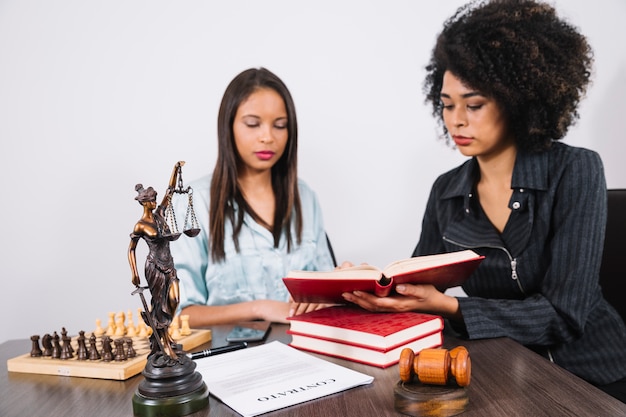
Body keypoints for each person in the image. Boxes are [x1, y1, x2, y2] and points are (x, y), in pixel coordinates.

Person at [342, 0, 626, 402]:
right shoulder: (446, 191)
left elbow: (564, 315)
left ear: (517, 99)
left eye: (473, 105)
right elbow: (415, 292)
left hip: (591, 375)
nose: (455, 119)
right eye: (446, 104)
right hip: (505, 371)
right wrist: (361, 285)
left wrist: (453, 309)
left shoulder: (576, 170)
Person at [170, 68, 336, 328]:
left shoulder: (304, 197)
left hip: (305, 352)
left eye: (280, 125)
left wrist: (343, 285)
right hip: (228, 359)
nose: (268, 137)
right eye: (252, 124)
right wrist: (261, 308)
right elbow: (180, 314)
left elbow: (326, 296)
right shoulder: (192, 203)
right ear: (229, 127)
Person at [128, 161, 186, 360]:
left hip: (169, 265)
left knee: (175, 299)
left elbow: (170, 191)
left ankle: (165, 336)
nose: (155, 202)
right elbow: (131, 249)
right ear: (144, 203)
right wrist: (134, 272)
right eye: (151, 200)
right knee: (159, 304)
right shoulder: (140, 225)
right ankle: (164, 341)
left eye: (155, 199)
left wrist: (176, 170)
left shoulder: (160, 215)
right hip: (153, 267)